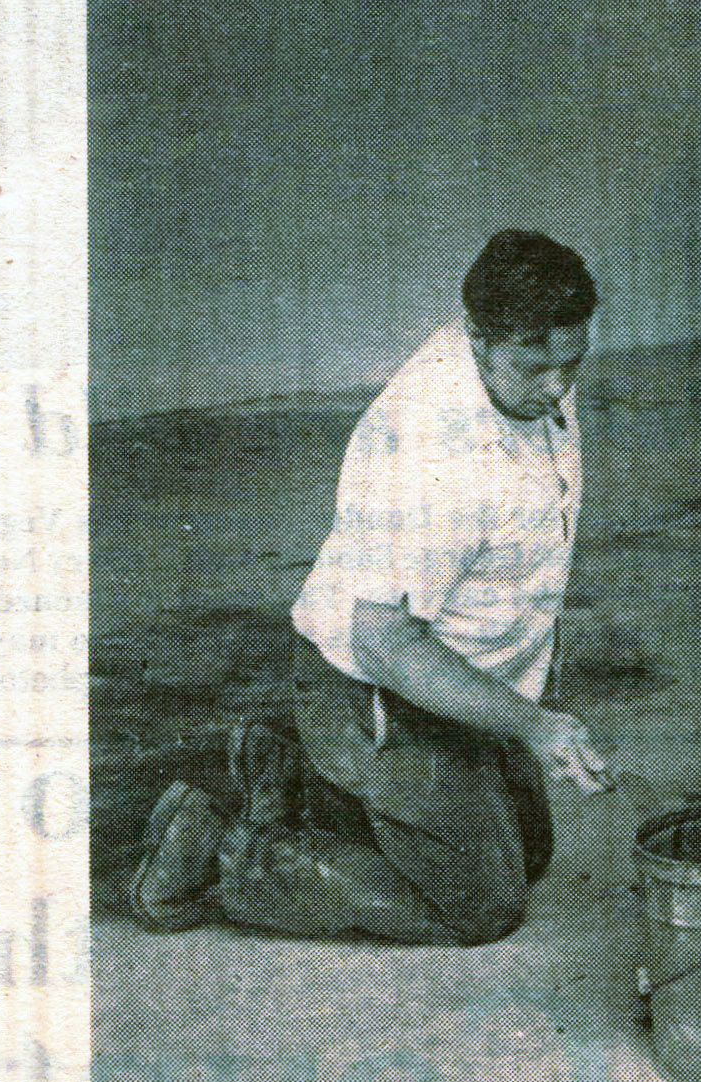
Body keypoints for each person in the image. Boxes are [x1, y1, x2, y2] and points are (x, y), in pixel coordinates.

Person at [128, 229, 612, 944]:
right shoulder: (441, 456)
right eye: (534, 367)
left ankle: (288, 771)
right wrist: (533, 725)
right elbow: (383, 641)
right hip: (373, 684)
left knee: (527, 854)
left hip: (454, 676)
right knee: (479, 904)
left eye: (571, 363)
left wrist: (519, 702)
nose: (556, 390)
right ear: (478, 340)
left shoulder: (514, 365)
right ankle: (221, 848)